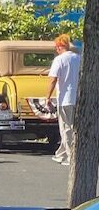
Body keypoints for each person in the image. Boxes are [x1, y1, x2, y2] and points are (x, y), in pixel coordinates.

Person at [46, 34, 80, 167]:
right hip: (78, 98)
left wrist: (48, 97)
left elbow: (53, 79)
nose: (56, 49)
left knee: (66, 129)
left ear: (60, 46)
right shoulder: (78, 58)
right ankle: (61, 154)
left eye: (56, 47)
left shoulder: (59, 59)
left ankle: (71, 157)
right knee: (73, 127)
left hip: (65, 98)